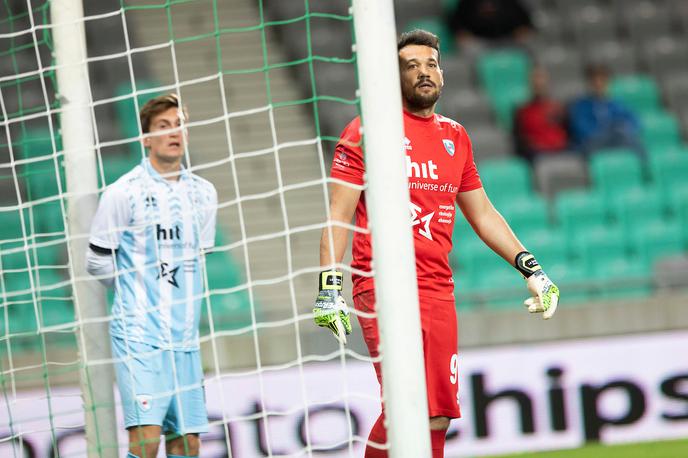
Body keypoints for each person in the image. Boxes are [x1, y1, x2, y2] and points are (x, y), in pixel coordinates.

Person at [313, 30, 560, 458]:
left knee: (438, 415)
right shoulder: (367, 130)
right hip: (382, 285)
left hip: (437, 289)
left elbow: (482, 214)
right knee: (406, 407)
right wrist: (329, 287)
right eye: (411, 66)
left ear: (443, 75)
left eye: (430, 64)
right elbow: (339, 213)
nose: (423, 72)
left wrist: (532, 270)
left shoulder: (456, 136)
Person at [86, 94, 218, 458]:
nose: (174, 132)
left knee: (187, 443)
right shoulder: (122, 193)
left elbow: (198, 257)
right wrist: (134, 287)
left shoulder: (204, 194)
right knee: (145, 441)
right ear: (146, 138)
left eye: (179, 125)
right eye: (164, 126)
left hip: (186, 338)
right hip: (139, 335)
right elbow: (96, 261)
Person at [568, 64, 644, 157]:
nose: (599, 84)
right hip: (594, 143)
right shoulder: (581, 106)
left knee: (634, 143)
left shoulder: (617, 103)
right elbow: (582, 130)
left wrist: (623, 129)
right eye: (595, 81)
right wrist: (606, 133)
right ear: (589, 83)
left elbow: (635, 122)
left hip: (616, 139)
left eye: (602, 81)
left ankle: (645, 168)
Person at [514, 66, 569, 162]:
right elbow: (521, 142)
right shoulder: (522, 112)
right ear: (530, 84)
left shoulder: (558, 108)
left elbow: (567, 133)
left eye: (542, 79)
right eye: (536, 79)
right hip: (538, 155)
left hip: (562, 151)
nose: (539, 83)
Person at [447, 0, 534, 53]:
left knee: (529, 42)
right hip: (479, 41)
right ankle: (476, 80)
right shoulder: (468, 2)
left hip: (509, 39)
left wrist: (522, 30)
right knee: (468, 47)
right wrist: (461, 33)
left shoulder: (510, 2)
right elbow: (455, 23)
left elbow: (525, 21)